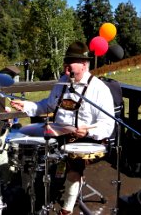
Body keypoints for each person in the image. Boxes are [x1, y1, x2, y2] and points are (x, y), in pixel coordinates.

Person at [10, 41, 115, 215]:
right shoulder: (62, 82)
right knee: (27, 145)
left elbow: (108, 124)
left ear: (83, 64)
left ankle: (66, 209)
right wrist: (27, 106)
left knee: (74, 168)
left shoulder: (99, 89)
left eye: (70, 61)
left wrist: (88, 131)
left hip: (84, 139)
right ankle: (29, 192)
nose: (66, 65)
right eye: (66, 61)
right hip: (58, 132)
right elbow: (48, 106)